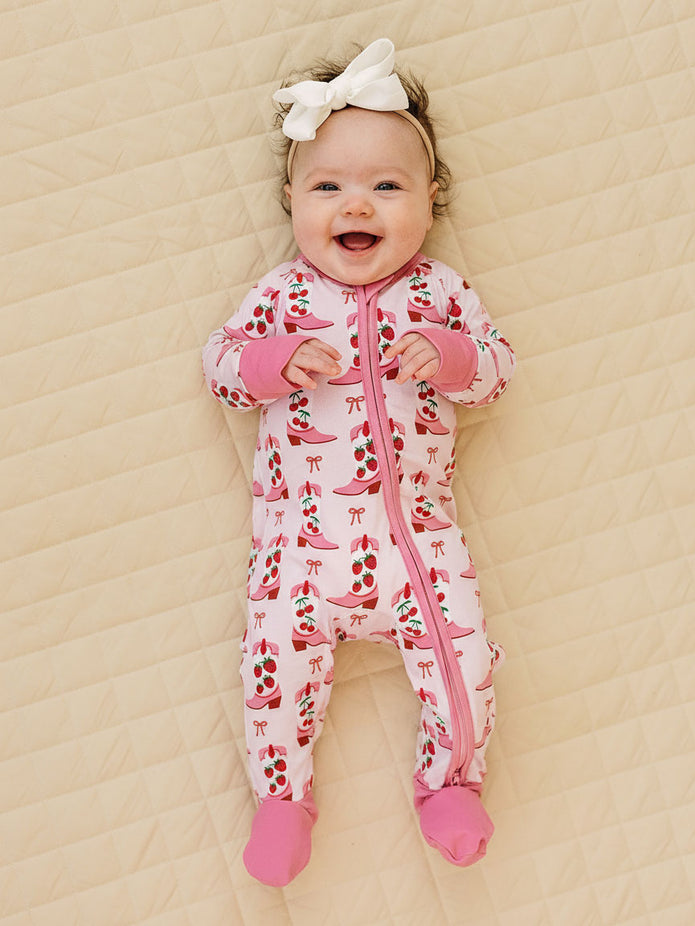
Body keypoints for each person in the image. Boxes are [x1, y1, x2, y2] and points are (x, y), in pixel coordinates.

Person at [202, 38, 515, 887]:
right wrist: (272, 362)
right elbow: (220, 365)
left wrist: (451, 356)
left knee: (467, 666)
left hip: (420, 546)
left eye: (386, 186)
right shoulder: (282, 295)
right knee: (272, 668)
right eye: (328, 187)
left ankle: (450, 783)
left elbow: (497, 368)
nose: (357, 205)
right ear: (291, 201)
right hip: (301, 553)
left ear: (431, 198)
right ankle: (282, 800)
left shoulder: (440, 292)